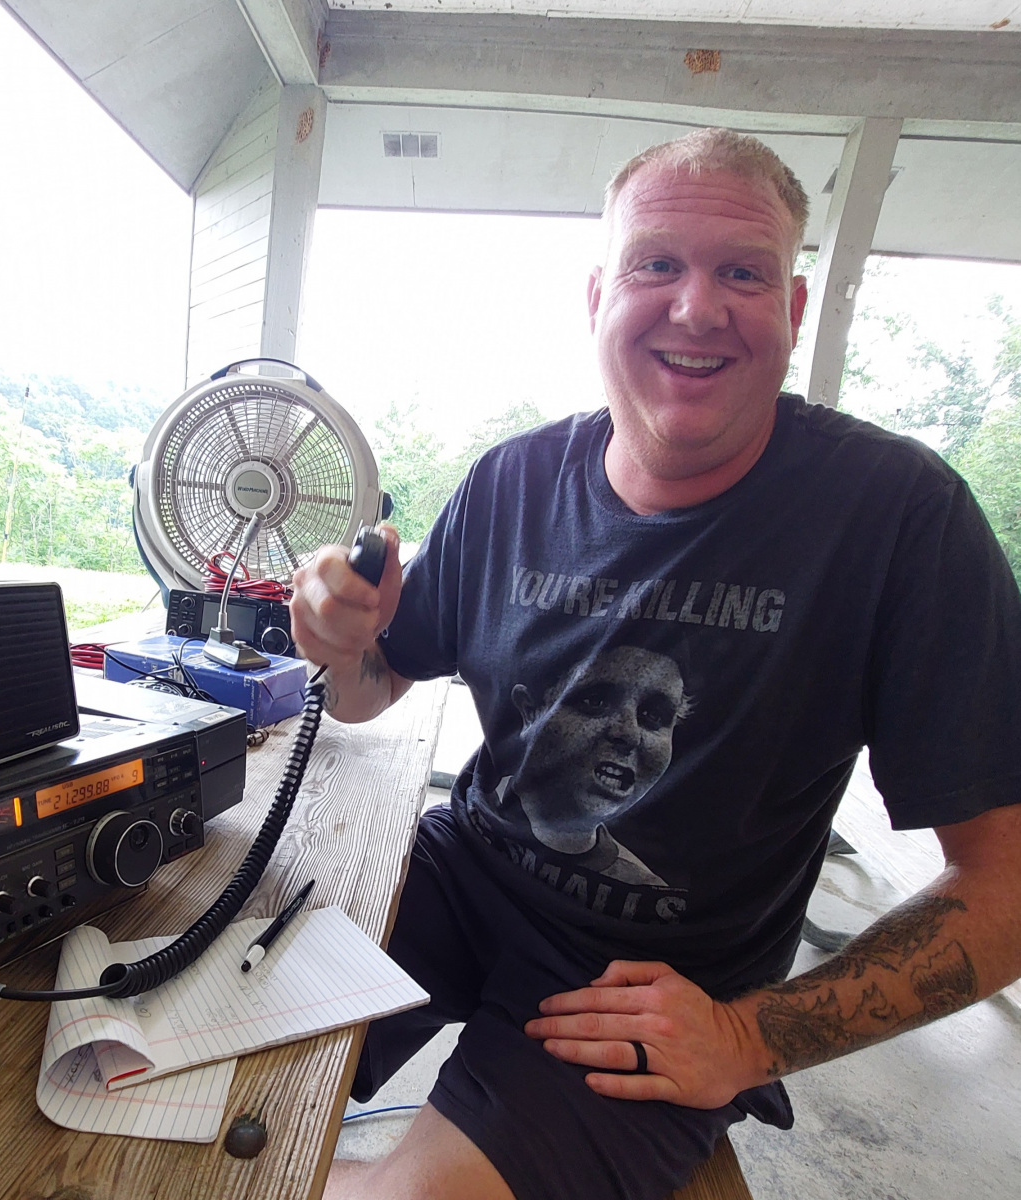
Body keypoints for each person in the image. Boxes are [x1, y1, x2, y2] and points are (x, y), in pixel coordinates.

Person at [291, 128, 1021, 1200]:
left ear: (793, 309)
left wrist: (751, 1036)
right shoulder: (510, 482)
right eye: (657, 264)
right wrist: (338, 645)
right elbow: (371, 693)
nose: (696, 307)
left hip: (655, 985)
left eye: (743, 273)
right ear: (599, 295)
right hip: (460, 873)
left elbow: (1005, 883)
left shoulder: (899, 520)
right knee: (203, 1053)